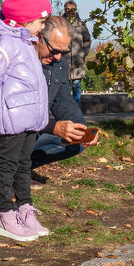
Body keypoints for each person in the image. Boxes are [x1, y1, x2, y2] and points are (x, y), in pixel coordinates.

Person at [0, 0, 54, 241]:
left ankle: (25, 208)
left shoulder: (26, 42)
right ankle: (6, 214)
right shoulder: (4, 44)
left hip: (28, 119)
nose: (42, 26)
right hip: (10, 119)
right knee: (7, 166)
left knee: (23, 164)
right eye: (41, 21)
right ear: (25, 19)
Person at [30, 16, 98, 171]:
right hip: (10, 132)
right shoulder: (21, 61)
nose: (58, 57)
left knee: (76, 143)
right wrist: (53, 127)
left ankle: (23, 168)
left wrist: (82, 129)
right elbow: (19, 114)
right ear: (39, 38)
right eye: (54, 50)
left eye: (63, 51)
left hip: (37, 130)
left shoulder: (58, 65)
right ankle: (8, 173)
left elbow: (64, 102)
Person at [63, 0, 93, 104]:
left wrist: (83, 53)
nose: (70, 12)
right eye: (67, 9)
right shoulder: (61, 24)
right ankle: (66, 112)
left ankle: (76, 111)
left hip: (77, 62)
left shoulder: (81, 25)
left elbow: (87, 40)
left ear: (76, 10)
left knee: (76, 86)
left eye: (72, 10)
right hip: (63, 61)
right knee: (64, 88)